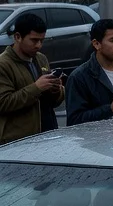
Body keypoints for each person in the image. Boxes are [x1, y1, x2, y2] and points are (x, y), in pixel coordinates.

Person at [0, 13, 66, 145]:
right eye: (34, 40)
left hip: (47, 134)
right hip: (18, 141)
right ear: (17, 37)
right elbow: (4, 103)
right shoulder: (3, 64)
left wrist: (56, 90)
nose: (38, 45)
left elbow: (52, 102)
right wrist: (36, 88)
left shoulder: (41, 58)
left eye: (42, 40)